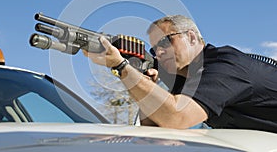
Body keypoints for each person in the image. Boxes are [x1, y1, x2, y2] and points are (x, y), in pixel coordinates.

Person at [83, 15, 277, 133]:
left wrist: (121, 67)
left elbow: (176, 118)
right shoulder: (186, 78)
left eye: (165, 42)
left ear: (191, 37)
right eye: (153, 50)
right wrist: (144, 85)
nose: (158, 53)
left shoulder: (225, 66)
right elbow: (156, 130)